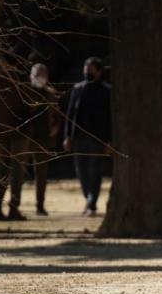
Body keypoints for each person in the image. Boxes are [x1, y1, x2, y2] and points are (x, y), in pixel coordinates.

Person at [63, 57, 112, 216]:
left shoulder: (106, 91)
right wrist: (68, 136)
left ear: (99, 71)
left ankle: (91, 204)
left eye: (90, 69)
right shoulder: (77, 89)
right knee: (82, 172)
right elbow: (70, 115)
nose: (87, 72)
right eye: (85, 69)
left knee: (95, 171)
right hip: (79, 138)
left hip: (98, 139)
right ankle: (89, 199)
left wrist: (109, 141)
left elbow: (110, 117)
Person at [0, 58, 32, 221]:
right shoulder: (20, 80)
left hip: (0, 132)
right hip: (18, 133)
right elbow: (30, 104)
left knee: (1, 172)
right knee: (16, 173)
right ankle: (12, 208)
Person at [20, 63, 60, 216]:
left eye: (42, 74)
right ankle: (13, 206)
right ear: (31, 75)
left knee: (41, 174)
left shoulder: (51, 94)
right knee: (18, 173)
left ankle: (40, 206)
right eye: (37, 74)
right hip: (24, 137)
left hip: (43, 139)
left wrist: (56, 128)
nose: (40, 77)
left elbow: (58, 117)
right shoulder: (24, 92)